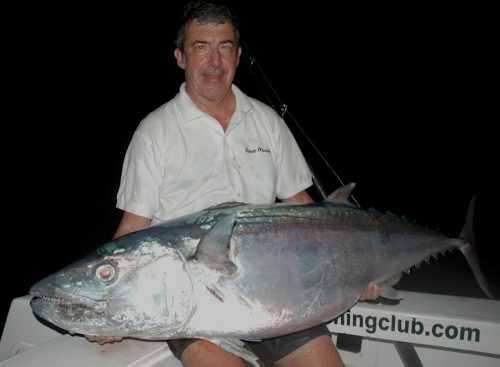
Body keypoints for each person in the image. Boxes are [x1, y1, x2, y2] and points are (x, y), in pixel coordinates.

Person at [86, 1, 379, 366]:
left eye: (224, 47)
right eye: (200, 47)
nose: (214, 61)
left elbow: (304, 211)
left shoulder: (267, 122)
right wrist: (109, 308)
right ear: (180, 57)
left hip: (277, 293)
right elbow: (132, 230)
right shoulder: (154, 132)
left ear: (238, 56)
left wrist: (356, 264)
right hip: (192, 306)